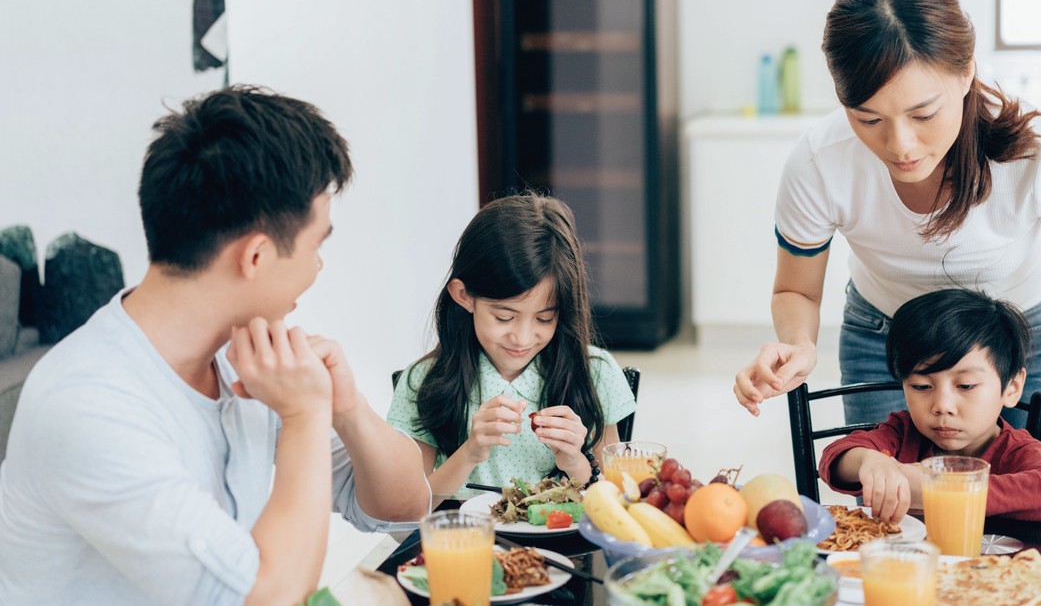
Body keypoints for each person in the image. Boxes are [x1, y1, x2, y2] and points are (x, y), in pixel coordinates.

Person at [732, 0, 1041, 553]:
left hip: (1022, 334)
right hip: (889, 336)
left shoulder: (1040, 153)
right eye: (868, 119)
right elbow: (796, 291)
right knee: (892, 532)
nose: (899, 145)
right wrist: (799, 346)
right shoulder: (822, 160)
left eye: (923, 114)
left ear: (967, 71)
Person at [0, 86, 432, 605]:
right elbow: (264, 598)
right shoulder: (89, 404)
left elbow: (405, 507)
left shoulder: (246, 356)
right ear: (255, 257)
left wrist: (346, 409)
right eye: (317, 246)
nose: (319, 266)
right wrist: (303, 415)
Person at [387, 193, 636, 500]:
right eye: (504, 317)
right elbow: (406, 512)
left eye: (544, 318)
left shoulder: (594, 372)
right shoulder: (424, 382)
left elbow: (621, 501)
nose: (522, 338)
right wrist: (470, 453)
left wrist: (575, 462)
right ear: (463, 295)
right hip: (470, 545)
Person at [819, 289, 1041, 524]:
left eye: (966, 385)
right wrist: (870, 461)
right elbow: (835, 458)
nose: (943, 406)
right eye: (922, 386)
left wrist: (941, 490)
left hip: (989, 574)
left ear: (1012, 388)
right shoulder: (902, 433)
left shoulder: (1016, 451)